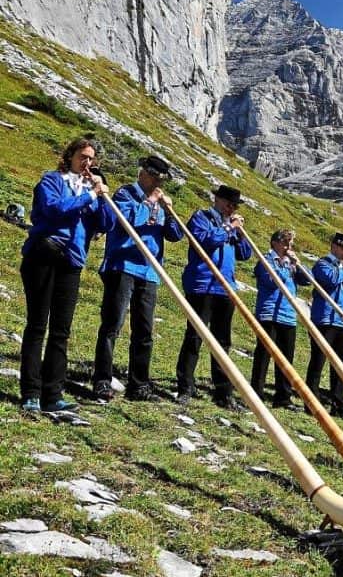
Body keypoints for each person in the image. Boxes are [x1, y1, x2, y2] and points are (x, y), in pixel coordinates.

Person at [19, 137, 112, 413]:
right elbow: (55, 209)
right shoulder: (52, 180)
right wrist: (90, 196)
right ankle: (31, 393)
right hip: (45, 254)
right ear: (70, 156)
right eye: (83, 156)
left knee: (61, 330)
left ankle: (53, 394)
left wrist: (102, 196)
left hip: (72, 261)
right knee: (37, 324)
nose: (88, 162)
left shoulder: (90, 188)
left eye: (91, 158)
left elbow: (106, 224)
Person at [93, 155, 182, 403]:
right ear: (143, 173)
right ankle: (102, 379)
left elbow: (175, 235)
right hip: (123, 266)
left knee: (144, 330)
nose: (157, 183)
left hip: (150, 271)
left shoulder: (159, 201)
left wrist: (169, 212)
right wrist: (149, 202)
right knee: (113, 324)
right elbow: (125, 220)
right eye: (154, 177)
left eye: (161, 179)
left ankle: (139, 384)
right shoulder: (125, 194)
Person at [175, 184, 252, 409]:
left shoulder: (231, 225)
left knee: (223, 341)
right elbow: (204, 241)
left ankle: (223, 392)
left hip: (225, 287)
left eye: (235, 205)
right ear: (218, 200)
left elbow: (245, 254)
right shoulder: (202, 217)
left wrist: (239, 234)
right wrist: (228, 229)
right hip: (202, 285)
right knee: (194, 337)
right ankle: (185, 387)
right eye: (229, 204)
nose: (232, 208)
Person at [249, 229, 309, 410]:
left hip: (288, 315)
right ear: (275, 243)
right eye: (285, 243)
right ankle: (256, 394)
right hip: (269, 313)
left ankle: (283, 397)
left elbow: (307, 280)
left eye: (290, 244)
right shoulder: (266, 260)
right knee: (263, 355)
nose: (288, 247)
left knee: (286, 358)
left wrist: (297, 264)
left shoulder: (290, 263)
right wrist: (283, 265)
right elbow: (270, 280)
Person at [306, 232, 343, 416]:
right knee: (318, 361)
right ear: (334, 246)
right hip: (325, 319)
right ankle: (311, 401)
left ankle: (338, 403)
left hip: (342, 321)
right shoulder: (323, 264)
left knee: (340, 365)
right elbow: (330, 280)